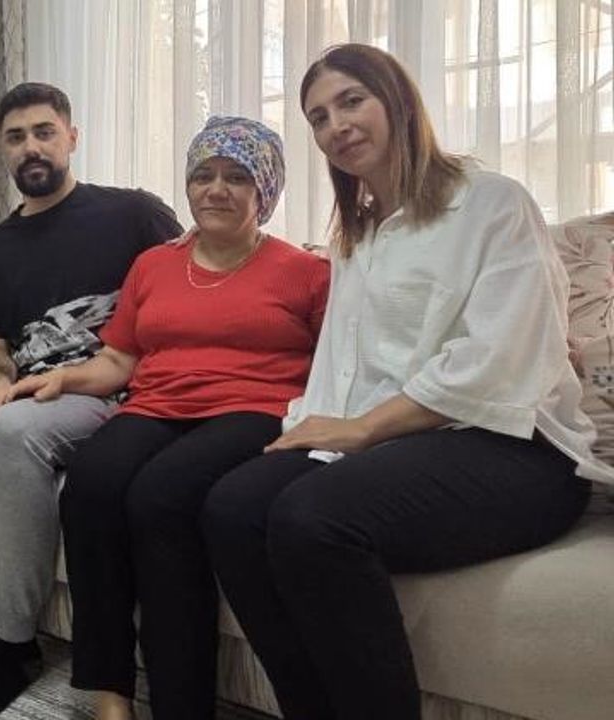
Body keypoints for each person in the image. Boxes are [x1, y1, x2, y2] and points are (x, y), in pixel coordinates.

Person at [199, 44, 612, 720]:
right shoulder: (357, 236)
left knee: (312, 519)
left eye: (351, 101)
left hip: (517, 449)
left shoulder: (492, 203)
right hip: (403, 445)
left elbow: (503, 358)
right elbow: (342, 364)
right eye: (319, 117)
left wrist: (363, 429)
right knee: (232, 507)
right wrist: (309, 433)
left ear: (397, 99)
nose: (336, 125)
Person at [0, 82, 184, 720]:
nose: (31, 147)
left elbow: (186, 287)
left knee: (15, 431)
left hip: (109, 386)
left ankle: (14, 642)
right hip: (24, 385)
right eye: (16, 137)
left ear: (72, 137)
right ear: (3, 149)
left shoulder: (132, 213)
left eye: (45, 132)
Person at [11, 116, 328, 720]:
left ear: (265, 191)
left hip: (254, 409)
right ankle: (110, 691)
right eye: (204, 175)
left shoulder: (305, 272)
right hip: (157, 404)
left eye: (237, 177)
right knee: (90, 485)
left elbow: (340, 362)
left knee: (160, 497)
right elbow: (119, 360)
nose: (216, 189)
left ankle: (182, 704)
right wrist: (65, 379)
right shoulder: (154, 265)